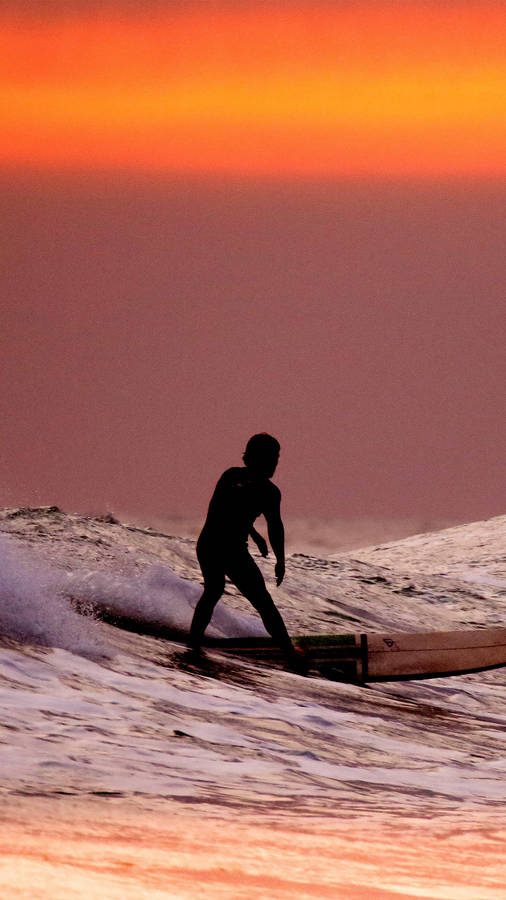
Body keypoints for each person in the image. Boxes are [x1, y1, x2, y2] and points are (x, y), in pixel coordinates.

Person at [189, 433, 300, 665]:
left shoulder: (265, 490)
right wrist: (257, 537)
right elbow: (223, 511)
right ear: (257, 457)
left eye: (277, 457)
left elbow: (274, 525)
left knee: (223, 592)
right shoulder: (236, 478)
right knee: (237, 594)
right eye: (273, 457)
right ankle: (290, 654)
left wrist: (277, 556)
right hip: (219, 545)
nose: (276, 463)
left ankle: (193, 645)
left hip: (220, 545)